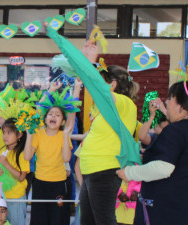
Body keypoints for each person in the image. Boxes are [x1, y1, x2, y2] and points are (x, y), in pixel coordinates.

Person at [116, 80, 188, 225]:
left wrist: (129, 172)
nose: (166, 102)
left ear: (182, 106)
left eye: (170, 98)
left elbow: (163, 168)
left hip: (173, 213)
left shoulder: (176, 130)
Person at [76, 39, 139, 225]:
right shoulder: (104, 110)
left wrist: (91, 62)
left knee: (104, 221)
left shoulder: (124, 103)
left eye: (102, 82)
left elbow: (99, 89)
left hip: (104, 170)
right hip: (90, 171)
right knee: (88, 222)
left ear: (111, 85)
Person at [25, 86, 79, 225]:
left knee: (58, 219)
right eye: (50, 114)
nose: (53, 116)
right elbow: (27, 157)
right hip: (40, 183)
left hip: (59, 184)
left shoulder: (63, 135)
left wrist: (77, 88)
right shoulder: (38, 134)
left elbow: (67, 158)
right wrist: (29, 136)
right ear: (45, 118)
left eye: (58, 115)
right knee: (39, 219)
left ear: (62, 122)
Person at [0, 116, 31, 225]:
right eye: (4, 132)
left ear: (19, 135)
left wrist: (6, 164)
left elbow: (21, 177)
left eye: (9, 133)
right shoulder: (1, 151)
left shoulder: (22, 154)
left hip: (16, 198)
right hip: (1, 199)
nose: (5, 136)